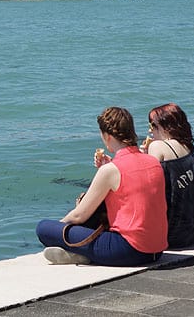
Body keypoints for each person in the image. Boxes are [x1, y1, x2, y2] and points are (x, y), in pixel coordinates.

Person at [36, 106, 168, 265]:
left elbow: (79, 215)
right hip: (156, 250)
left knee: (43, 228)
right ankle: (81, 255)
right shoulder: (153, 162)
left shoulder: (110, 171)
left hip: (129, 250)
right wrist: (110, 165)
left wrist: (58, 228)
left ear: (107, 136)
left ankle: (83, 255)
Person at [140, 103, 194, 248]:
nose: (150, 130)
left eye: (153, 125)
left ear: (166, 125)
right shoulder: (186, 146)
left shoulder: (157, 146)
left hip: (170, 233)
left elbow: (144, 187)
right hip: (193, 230)